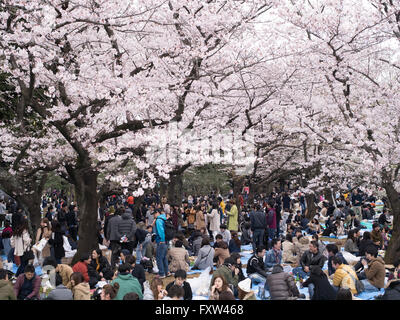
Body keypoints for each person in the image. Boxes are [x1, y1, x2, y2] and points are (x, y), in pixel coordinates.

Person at [154, 209, 171, 278]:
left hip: (162, 241)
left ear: (158, 212)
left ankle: (161, 273)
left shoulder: (158, 220)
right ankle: (166, 272)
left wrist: (162, 239)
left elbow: (161, 230)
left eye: (154, 214)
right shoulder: (164, 219)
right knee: (164, 257)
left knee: (159, 258)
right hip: (166, 241)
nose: (154, 215)